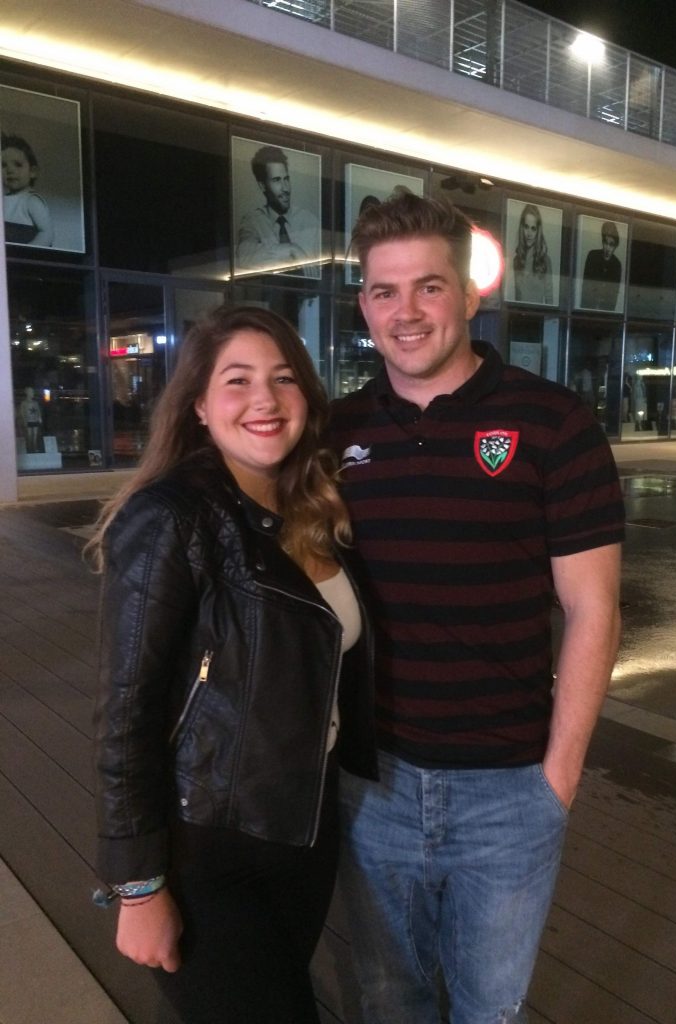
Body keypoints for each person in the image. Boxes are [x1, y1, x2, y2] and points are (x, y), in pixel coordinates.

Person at [328, 194, 624, 1024]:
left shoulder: (553, 423)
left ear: (469, 293)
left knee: (490, 1009)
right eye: (385, 292)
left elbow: (592, 608)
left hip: (510, 789)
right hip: (372, 784)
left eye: (429, 286)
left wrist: (556, 780)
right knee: (390, 1002)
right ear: (364, 304)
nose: (406, 312)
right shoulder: (336, 431)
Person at [91, 305, 376, 1024]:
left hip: (301, 835)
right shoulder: (173, 517)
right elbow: (126, 713)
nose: (264, 400)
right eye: (238, 380)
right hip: (208, 850)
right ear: (199, 404)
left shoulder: (314, 511)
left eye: (284, 379)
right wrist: (138, 885)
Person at [236, 145, 320, 276]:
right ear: (262, 185)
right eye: (277, 180)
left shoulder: (310, 222)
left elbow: (319, 277)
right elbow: (244, 257)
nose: (285, 188)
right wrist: (291, 249)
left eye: (286, 179)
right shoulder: (252, 222)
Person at [2, 133, 53, 246]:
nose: (10, 170)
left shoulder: (31, 201)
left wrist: (28, 251)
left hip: (23, 257)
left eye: (18, 164)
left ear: (32, 172)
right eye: (3, 165)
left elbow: (47, 233)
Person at [512, 203, 553, 304]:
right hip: (518, 317)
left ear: (538, 231)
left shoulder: (545, 261)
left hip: (537, 317)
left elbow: (549, 298)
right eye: (526, 227)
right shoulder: (516, 260)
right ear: (522, 228)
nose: (529, 233)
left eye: (533, 228)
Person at [581, 220, 622, 311]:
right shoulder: (592, 256)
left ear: (615, 246)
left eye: (611, 244)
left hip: (606, 311)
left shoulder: (617, 264)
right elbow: (585, 286)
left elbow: (614, 294)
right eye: (605, 243)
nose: (607, 248)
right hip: (588, 308)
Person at [17, 386, 43, 452]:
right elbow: (22, 412)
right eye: (31, 392)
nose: (32, 393)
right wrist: (24, 420)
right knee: (29, 435)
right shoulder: (24, 403)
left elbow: (38, 411)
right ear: (27, 393)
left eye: (32, 392)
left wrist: (39, 418)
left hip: (35, 420)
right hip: (28, 420)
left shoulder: (35, 403)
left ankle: (34, 448)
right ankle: (29, 448)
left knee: (35, 435)